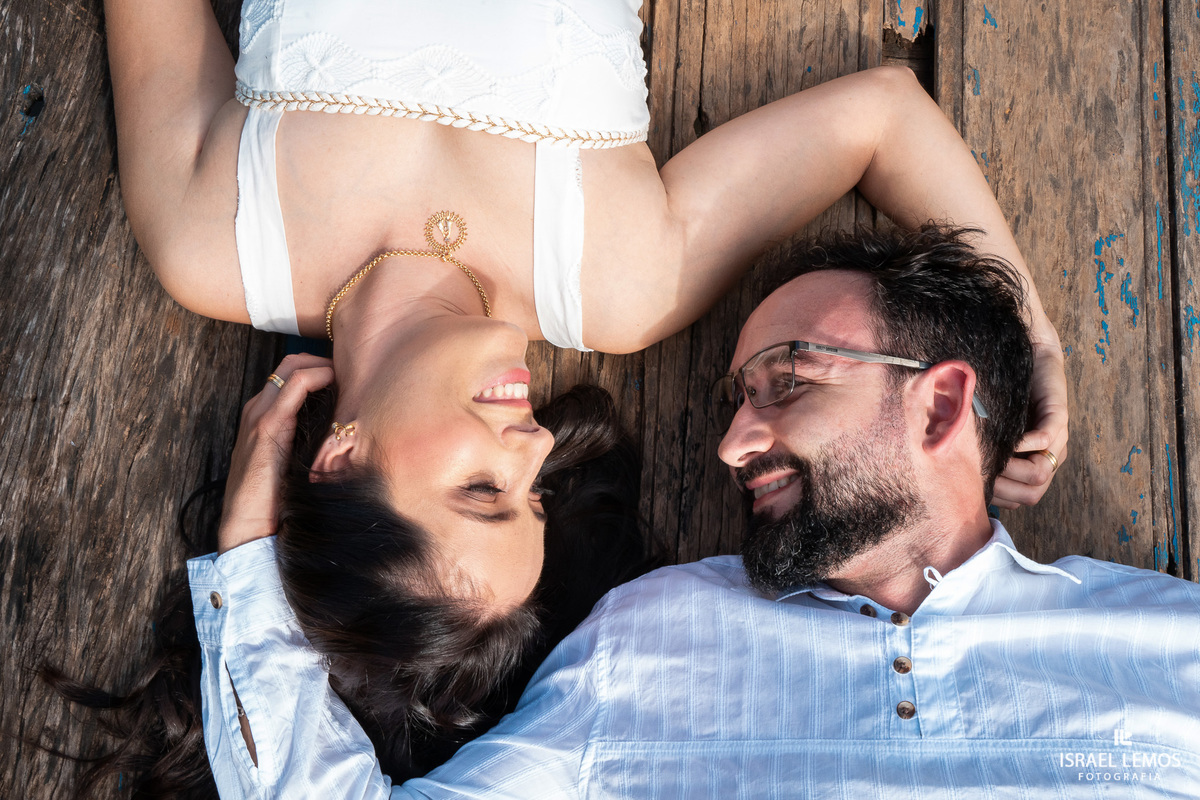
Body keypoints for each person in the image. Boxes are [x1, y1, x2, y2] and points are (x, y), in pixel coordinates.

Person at [104, 0, 1068, 786]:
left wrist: (246, 568)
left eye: (480, 491)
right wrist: (1032, 338)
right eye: (532, 497)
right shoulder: (618, 281)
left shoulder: (211, 239)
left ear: (340, 457)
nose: (531, 445)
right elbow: (880, 120)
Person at [195, 225, 1200, 797]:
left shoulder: (1171, 644)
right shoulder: (647, 636)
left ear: (939, 402)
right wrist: (246, 559)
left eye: (787, 382)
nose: (730, 444)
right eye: (734, 399)